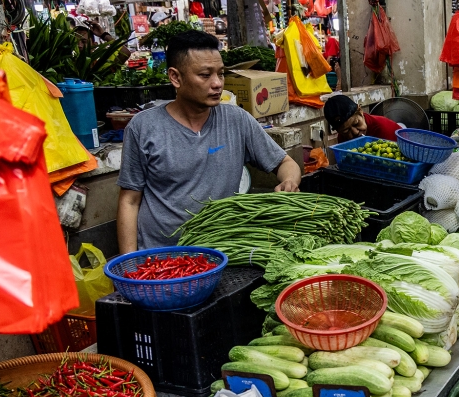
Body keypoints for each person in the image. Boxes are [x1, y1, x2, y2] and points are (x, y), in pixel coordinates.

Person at [117, 31, 301, 253]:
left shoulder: (236, 120)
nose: (217, 84)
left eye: (221, 74)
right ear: (175, 77)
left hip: (222, 252)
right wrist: (129, 263)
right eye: (205, 75)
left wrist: (289, 182)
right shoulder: (143, 127)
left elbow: (285, 163)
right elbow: (130, 201)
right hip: (162, 260)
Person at [323, 93, 402, 142]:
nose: (355, 132)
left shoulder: (383, 129)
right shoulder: (343, 138)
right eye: (346, 131)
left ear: (360, 111)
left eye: (356, 123)